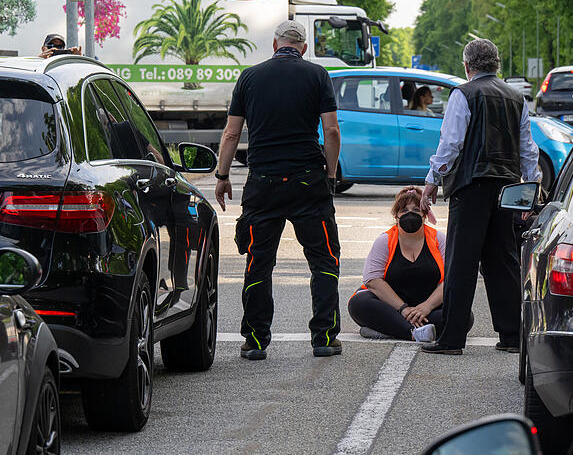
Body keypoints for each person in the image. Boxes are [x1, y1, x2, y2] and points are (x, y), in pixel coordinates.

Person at [214, 20, 342, 360]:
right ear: (303, 48)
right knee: (323, 259)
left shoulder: (249, 77)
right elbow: (331, 131)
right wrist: (329, 175)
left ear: (274, 45)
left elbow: (231, 133)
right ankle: (324, 337)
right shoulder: (317, 75)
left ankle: (256, 341)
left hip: (263, 182)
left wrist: (222, 175)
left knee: (258, 261)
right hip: (308, 181)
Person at [420, 38, 540, 356]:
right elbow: (528, 148)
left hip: (471, 186)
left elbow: (451, 143)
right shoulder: (516, 97)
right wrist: (532, 187)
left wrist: (432, 180)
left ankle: (452, 338)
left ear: (467, 66)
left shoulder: (464, 94)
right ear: (496, 63)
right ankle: (512, 335)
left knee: (461, 263)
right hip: (507, 188)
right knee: (503, 261)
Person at [349, 187, 473, 342]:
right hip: (392, 307)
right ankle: (413, 332)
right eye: (404, 210)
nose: (410, 214)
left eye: (416, 210)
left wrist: (427, 306)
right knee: (359, 303)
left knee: (464, 314)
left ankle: (393, 329)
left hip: (428, 308)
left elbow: (452, 277)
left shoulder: (439, 239)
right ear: (396, 216)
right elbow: (372, 280)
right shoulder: (385, 240)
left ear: (425, 215)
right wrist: (403, 309)